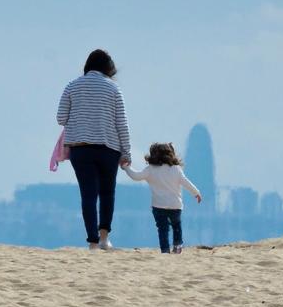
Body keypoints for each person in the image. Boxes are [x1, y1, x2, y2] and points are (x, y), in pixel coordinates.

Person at [56, 49, 132, 250]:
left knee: (88, 195)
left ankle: (92, 243)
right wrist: (127, 152)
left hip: (81, 149)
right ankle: (104, 238)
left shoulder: (72, 86)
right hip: (109, 148)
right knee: (107, 192)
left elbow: (60, 118)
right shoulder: (114, 89)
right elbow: (121, 124)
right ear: (108, 69)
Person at [121, 143, 202, 254]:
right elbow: (186, 183)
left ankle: (165, 250)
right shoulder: (176, 169)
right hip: (175, 205)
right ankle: (178, 246)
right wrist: (196, 193)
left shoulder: (150, 169)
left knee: (162, 229)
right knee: (176, 226)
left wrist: (126, 168)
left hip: (158, 206)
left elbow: (136, 176)